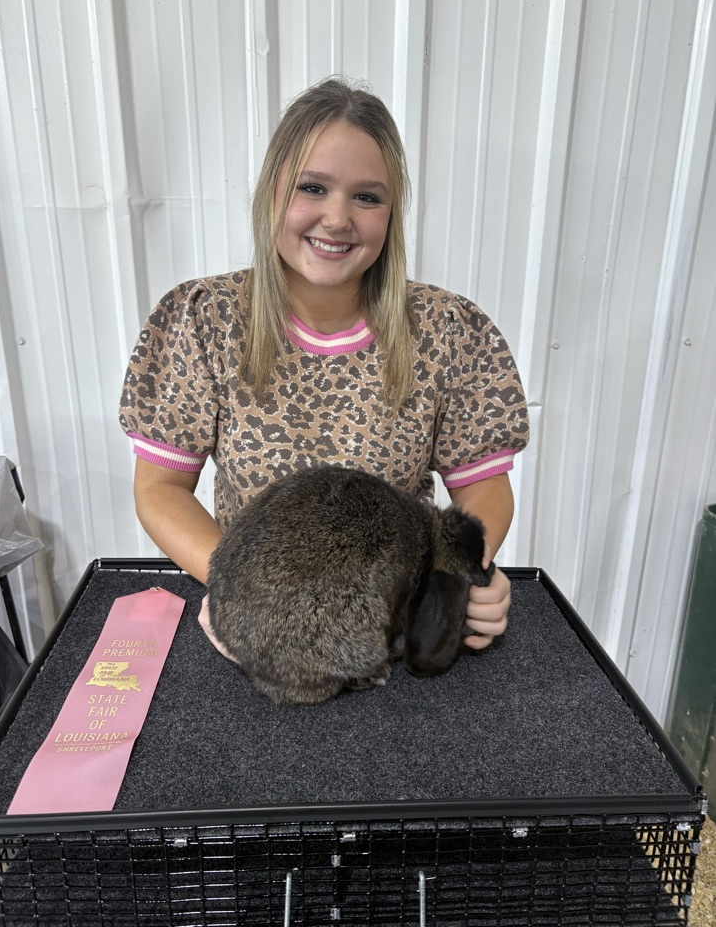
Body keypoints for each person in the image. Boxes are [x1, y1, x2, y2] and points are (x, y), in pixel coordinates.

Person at [119, 76, 529, 659]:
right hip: (257, 628)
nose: (338, 219)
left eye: (367, 196)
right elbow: (161, 488)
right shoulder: (204, 321)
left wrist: (461, 575)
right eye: (313, 188)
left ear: (392, 215)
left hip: (391, 619)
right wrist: (243, 589)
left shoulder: (446, 331)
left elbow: (483, 483)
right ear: (272, 194)